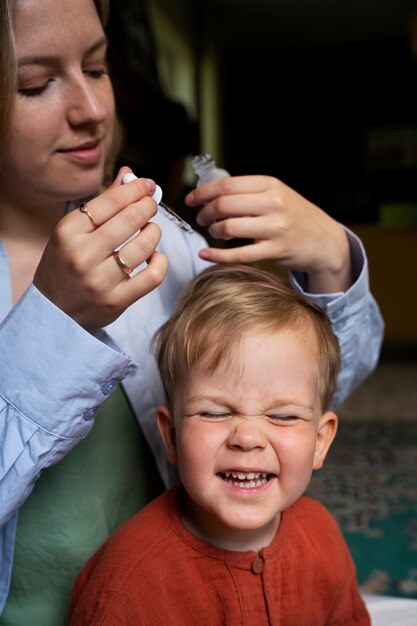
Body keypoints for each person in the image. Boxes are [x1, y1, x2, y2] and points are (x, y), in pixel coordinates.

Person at [0, 0, 383, 623]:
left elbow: (306, 390)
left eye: (97, 69)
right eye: (36, 84)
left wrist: (331, 260)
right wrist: (52, 326)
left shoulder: (163, 246)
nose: (92, 111)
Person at [69, 264, 370, 625]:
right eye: (213, 413)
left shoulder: (322, 535)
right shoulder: (128, 583)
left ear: (320, 441)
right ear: (172, 436)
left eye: (284, 416)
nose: (247, 438)